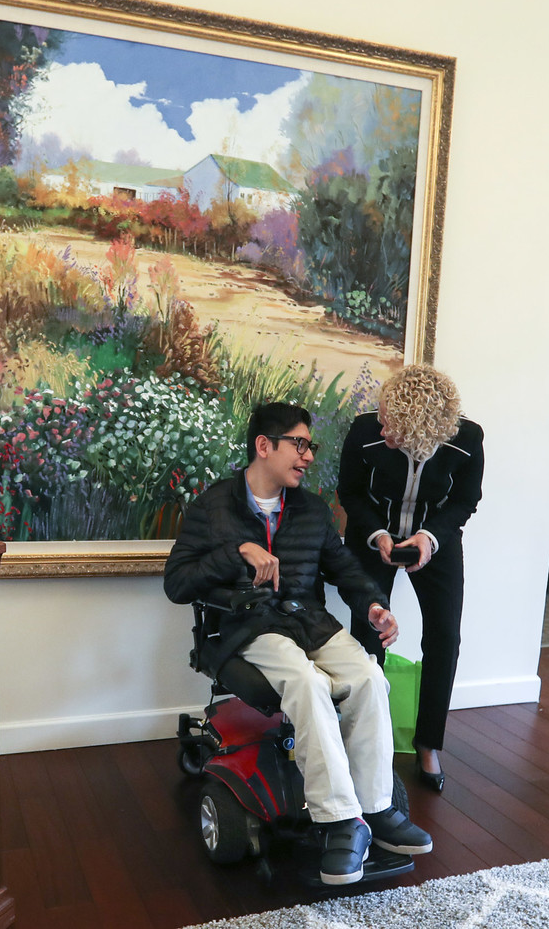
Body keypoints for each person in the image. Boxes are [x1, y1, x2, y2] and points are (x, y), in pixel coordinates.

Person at [164, 402, 432, 886]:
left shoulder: (310, 509)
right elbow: (177, 583)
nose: (308, 456)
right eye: (299, 444)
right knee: (307, 683)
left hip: (308, 622)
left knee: (369, 676)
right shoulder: (213, 506)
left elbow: (345, 569)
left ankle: (376, 809)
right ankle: (340, 822)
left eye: (310, 446)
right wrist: (238, 552)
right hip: (250, 626)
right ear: (264, 446)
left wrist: (374, 606)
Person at [338, 365, 484, 793]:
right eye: (382, 418)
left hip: (435, 540)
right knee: (368, 635)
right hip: (372, 536)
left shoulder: (467, 440)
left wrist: (428, 537)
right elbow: (350, 492)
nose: (381, 428)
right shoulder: (364, 432)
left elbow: (465, 500)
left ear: (420, 427)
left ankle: (428, 744)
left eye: (390, 423)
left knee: (444, 637)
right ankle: (365, 742)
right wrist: (378, 535)